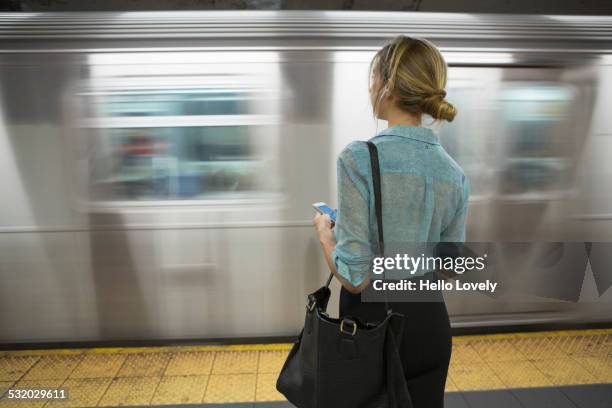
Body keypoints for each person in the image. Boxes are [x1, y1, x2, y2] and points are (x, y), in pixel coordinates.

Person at [312, 35, 470, 408]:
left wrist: (324, 235)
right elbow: (450, 267)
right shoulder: (454, 173)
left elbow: (354, 278)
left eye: (373, 78)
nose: (370, 88)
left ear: (386, 85)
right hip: (431, 327)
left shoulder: (358, 158)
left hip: (375, 329)